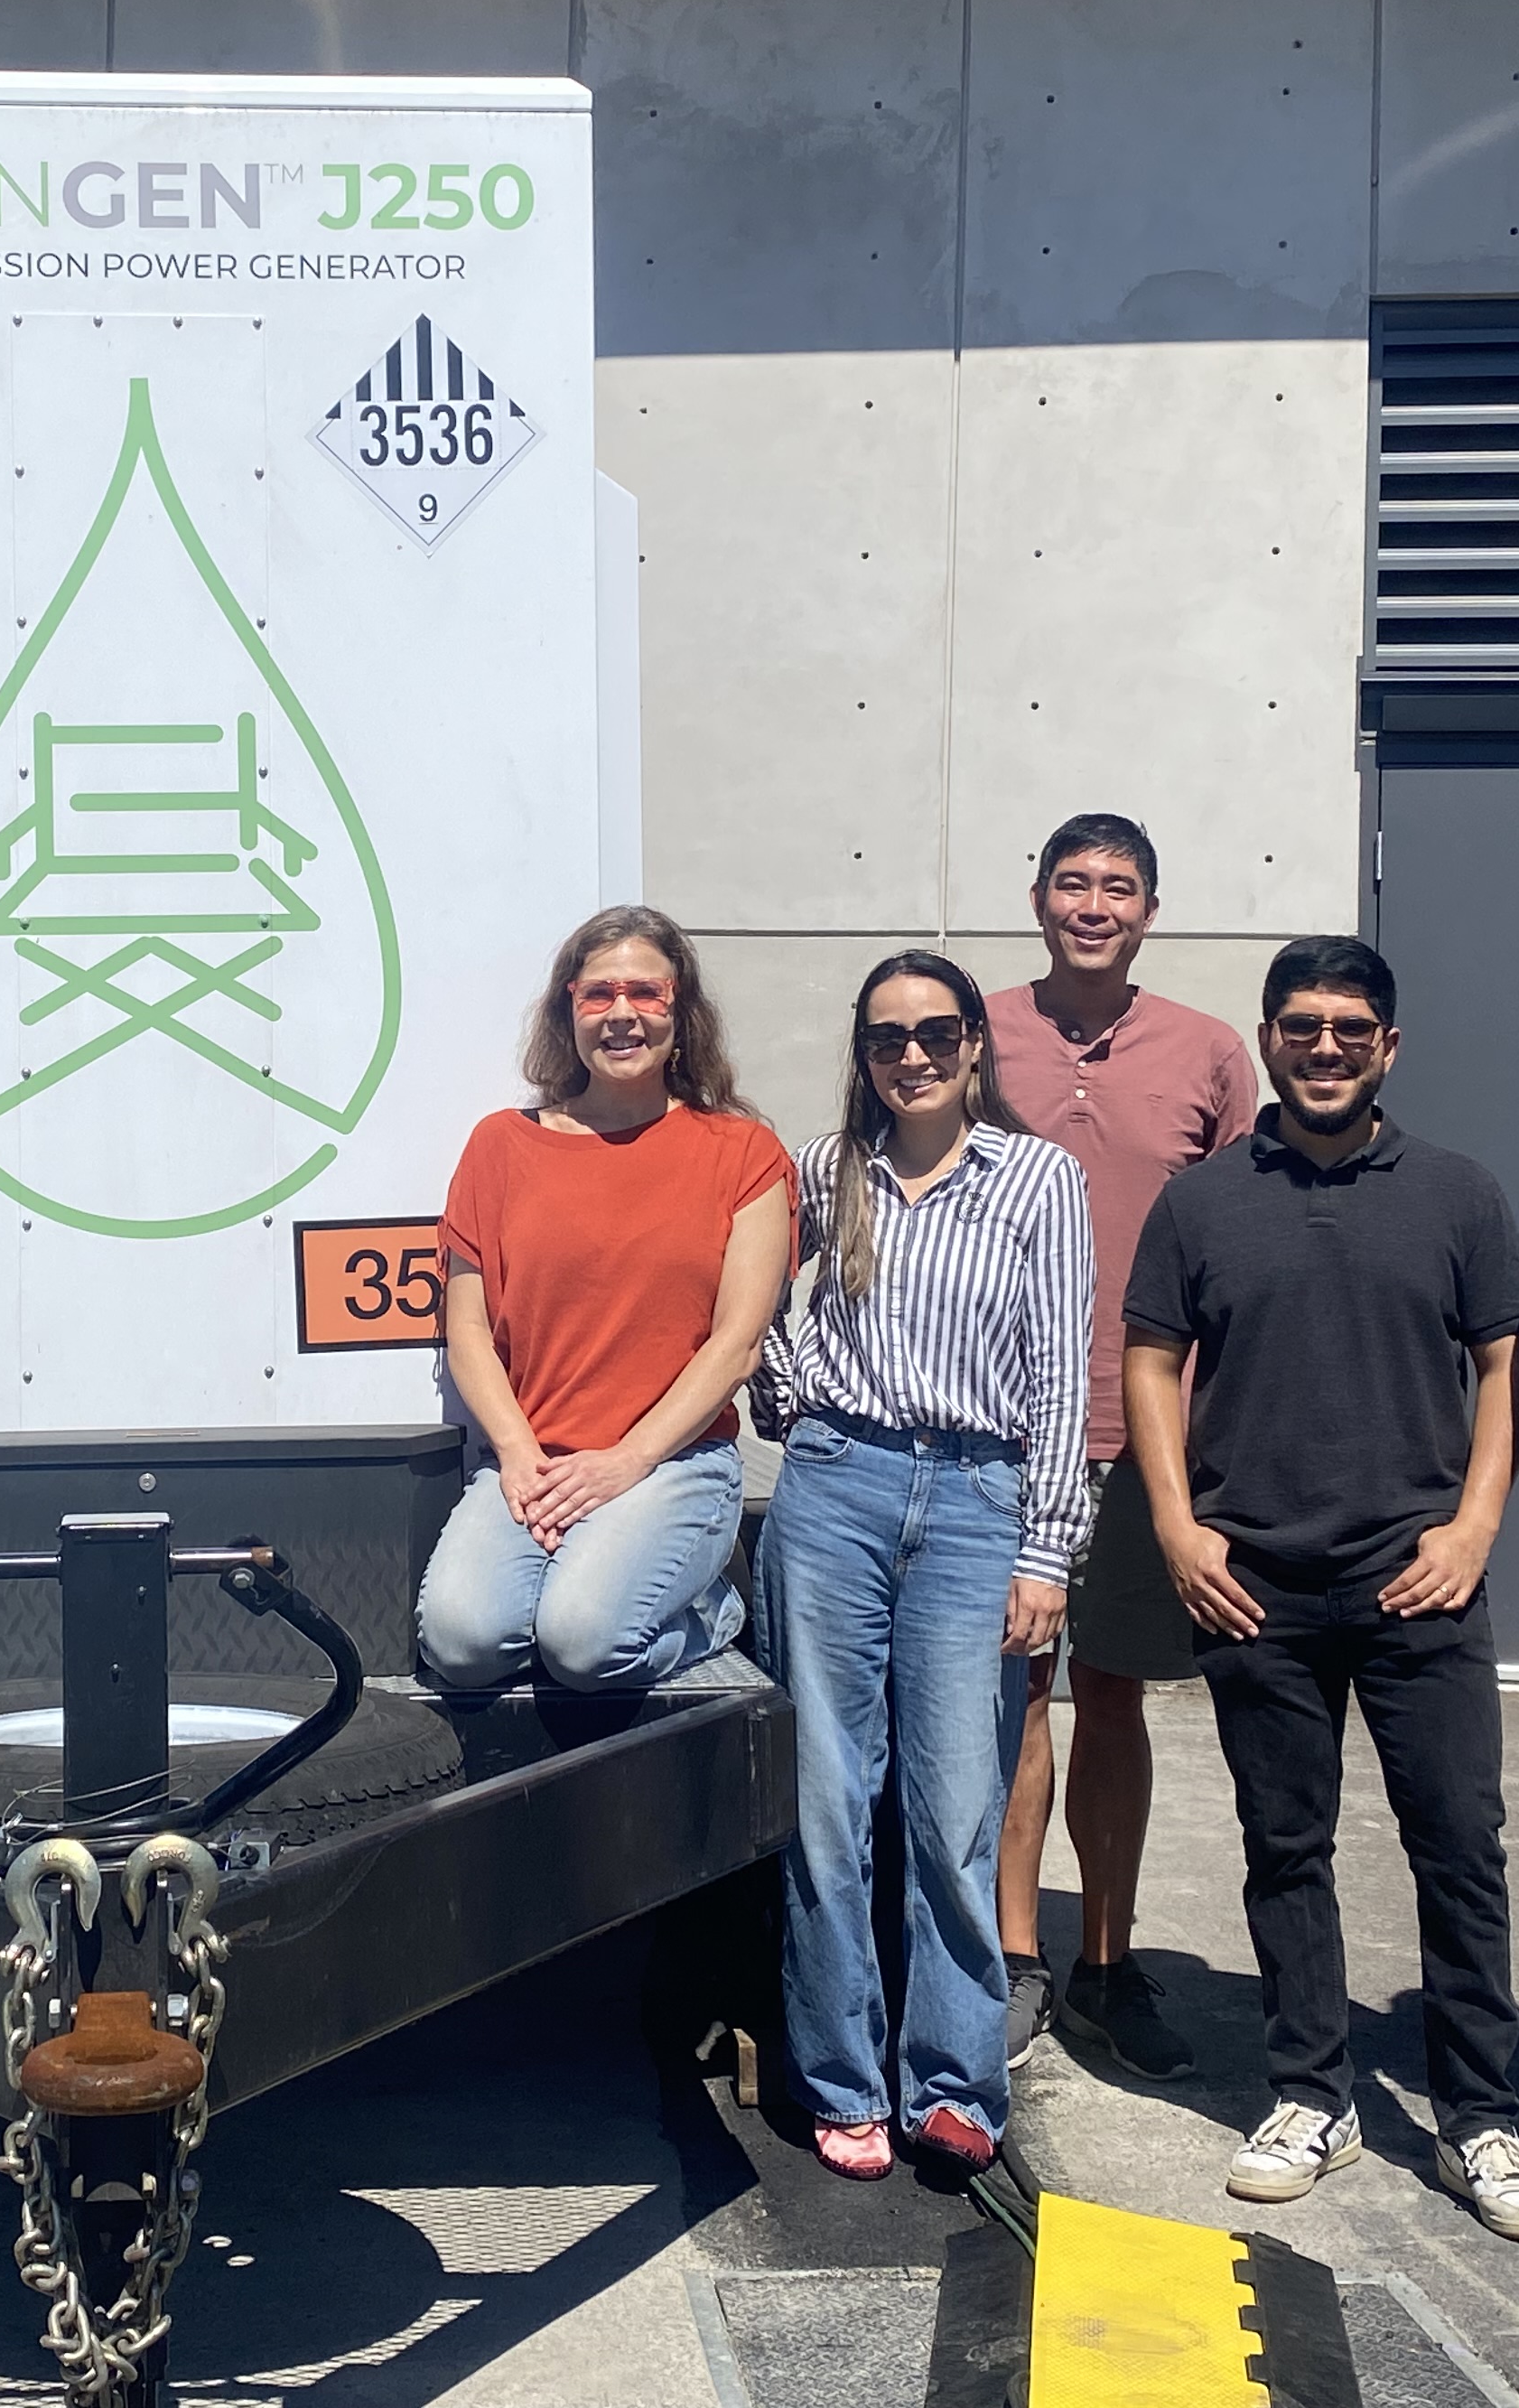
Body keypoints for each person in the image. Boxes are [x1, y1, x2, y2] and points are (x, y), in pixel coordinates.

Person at [1123, 935, 1519, 2242]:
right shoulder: (1201, 1202)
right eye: (1302, 1026)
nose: (1326, 1047)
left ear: (1389, 1046)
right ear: (1268, 1040)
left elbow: (1506, 1367)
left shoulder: (1458, 1194)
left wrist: (1474, 1528)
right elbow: (1150, 1362)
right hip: (1253, 1582)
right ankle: (1312, 2092)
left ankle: (1479, 2117)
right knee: (1285, 1847)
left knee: (1459, 1846)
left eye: (1351, 1029)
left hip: (1419, 1579)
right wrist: (1178, 1530)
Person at [756, 953, 1092, 2181]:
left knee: (954, 1810)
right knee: (826, 1803)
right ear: (864, 1052)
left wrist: (1047, 1551)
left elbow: (1063, 1375)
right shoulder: (825, 1170)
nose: (913, 1056)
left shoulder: (1038, 1179)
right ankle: (841, 2077)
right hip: (835, 1487)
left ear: (974, 1045)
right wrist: (784, 1390)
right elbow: (748, 1299)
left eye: (936, 1033)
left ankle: (952, 2082)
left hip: (975, 1501)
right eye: (888, 1037)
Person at [985, 814, 1253, 2082]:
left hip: (1149, 1433)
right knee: (1012, 1696)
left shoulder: (1208, 1051)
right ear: (1039, 898)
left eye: (1120, 887)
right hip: (1000, 1429)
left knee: (1113, 1694)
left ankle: (1106, 1961)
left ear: (1151, 910)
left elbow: (1249, 1235)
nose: (1094, 905)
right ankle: (1010, 1960)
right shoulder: (973, 1032)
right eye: (1074, 882)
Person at [415, 907, 792, 1694]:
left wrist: (629, 1461)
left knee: (584, 1647)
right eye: (599, 995)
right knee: (461, 1644)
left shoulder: (743, 1154)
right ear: (569, 1012)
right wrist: (518, 1454)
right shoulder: (499, 1146)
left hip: (673, 1463)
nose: (622, 1014)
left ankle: (713, 1610)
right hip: (538, 1461)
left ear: (680, 1014)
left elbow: (736, 1346)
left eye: (646, 993)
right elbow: (469, 1332)